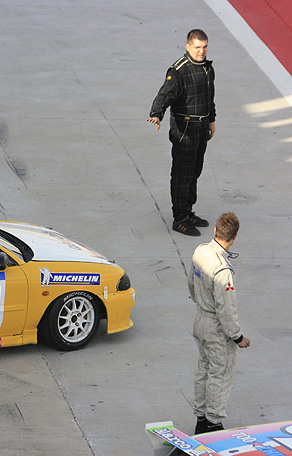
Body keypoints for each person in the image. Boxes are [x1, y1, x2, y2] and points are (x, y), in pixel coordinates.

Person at [148, 29, 216, 237]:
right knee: (181, 175)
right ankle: (180, 219)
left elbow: (209, 97)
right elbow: (165, 94)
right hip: (185, 131)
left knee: (195, 171)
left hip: (202, 128)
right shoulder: (179, 70)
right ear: (188, 47)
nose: (201, 51)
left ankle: (188, 212)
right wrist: (156, 114)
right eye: (197, 47)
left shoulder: (207, 69)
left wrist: (211, 121)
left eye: (204, 47)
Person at [188, 212, 250, 434]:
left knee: (204, 368)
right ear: (234, 237)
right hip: (215, 327)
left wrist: (200, 302)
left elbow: (191, 284)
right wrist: (237, 337)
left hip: (200, 319)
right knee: (220, 373)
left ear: (215, 231)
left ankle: (200, 416)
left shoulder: (201, 251)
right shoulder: (223, 270)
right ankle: (212, 424)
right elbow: (226, 310)